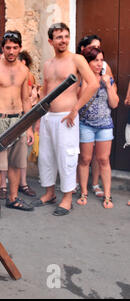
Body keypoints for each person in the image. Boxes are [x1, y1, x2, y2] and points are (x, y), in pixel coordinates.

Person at [32, 22, 99, 216]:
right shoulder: (47, 64)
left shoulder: (77, 59)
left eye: (66, 36)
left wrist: (75, 109)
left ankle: (67, 197)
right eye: (59, 37)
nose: (63, 40)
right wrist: (38, 117)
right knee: (46, 156)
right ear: (51, 41)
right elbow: (45, 91)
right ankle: (49, 193)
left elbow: (93, 84)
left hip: (67, 117)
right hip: (48, 117)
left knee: (67, 157)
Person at [0, 31, 34, 220]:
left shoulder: (24, 70)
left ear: (20, 48)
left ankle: (13, 198)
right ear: (2, 48)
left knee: (16, 164)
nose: (11, 51)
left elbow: (26, 99)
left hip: (18, 120)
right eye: (8, 47)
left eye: (15, 47)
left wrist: (29, 127)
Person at [76, 47, 118, 209]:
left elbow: (114, 104)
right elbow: (80, 100)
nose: (99, 64)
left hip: (104, 125)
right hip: (85, 124)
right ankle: (84, 192)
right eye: (95, 60)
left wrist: (107, 85)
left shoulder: (109, 79)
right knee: (85, 159)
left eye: (101, 60)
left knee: (103, 159)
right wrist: (88, 82)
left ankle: (107, 195)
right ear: (88, 63)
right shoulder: (82, 80)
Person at [16, 50, 38, 198]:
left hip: (23, 115)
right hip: (15, 114)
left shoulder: (27, 75)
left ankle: (22, 183)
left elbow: (29, 97)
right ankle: (17, 184)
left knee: (22, 152)